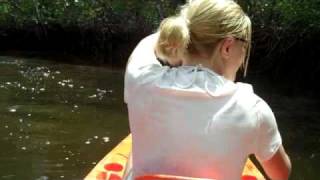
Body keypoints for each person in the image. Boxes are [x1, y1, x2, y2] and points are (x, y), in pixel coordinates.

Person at [124, 0, 291, 179]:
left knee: (132, 153)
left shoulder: (141, 80)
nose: (243, 56)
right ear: (227, 47)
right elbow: (281, 175)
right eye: (244, 46)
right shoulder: (253, 109)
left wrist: (180, 29)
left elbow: (144, 46)